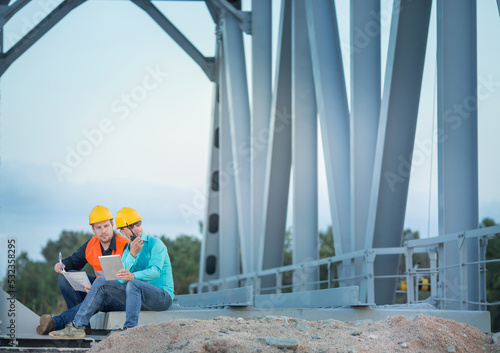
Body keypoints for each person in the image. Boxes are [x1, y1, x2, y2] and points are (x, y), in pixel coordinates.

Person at [48, 207, 174, 338]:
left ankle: (129, 329)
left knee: (133, 284)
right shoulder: (127, 250)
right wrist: (95, 288)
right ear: (122, 231)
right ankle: (78, 326)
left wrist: (133, 276)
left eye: (138, 224)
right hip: (137, 297)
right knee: (101, 281)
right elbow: (119, 279)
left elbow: (155, 272)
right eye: (131, 226)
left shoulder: (155, 243)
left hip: (162, 296)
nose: (137, 228)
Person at [36, 205, 129, 335]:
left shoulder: (125, 245)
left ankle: (57, 322)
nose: (103, 231)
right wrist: (62, 265)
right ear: (93, 229)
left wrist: (98, 290)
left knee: (99, 293)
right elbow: (74, 261)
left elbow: (131, 279)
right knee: (64, 278)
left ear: (112, 225)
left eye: (106, 226)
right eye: (99, 227)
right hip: (99, 288)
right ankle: (84, 326)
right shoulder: (91, 244)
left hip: (121, 296)